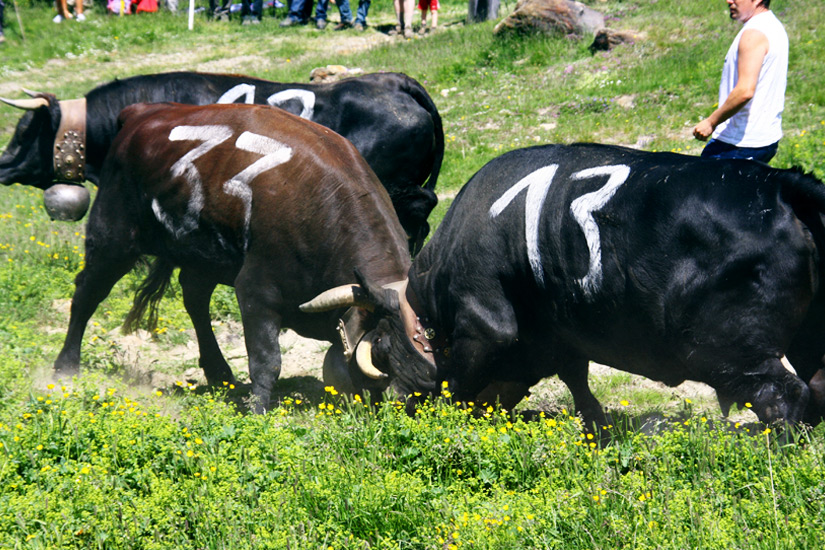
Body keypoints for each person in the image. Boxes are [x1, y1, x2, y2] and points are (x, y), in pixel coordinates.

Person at [693, 0, 788, 163]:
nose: (729, 0)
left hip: (739, 145)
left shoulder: (754, 34)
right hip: (762, 140)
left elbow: (745, 91)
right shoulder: (773, 25)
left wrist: (710, 122)